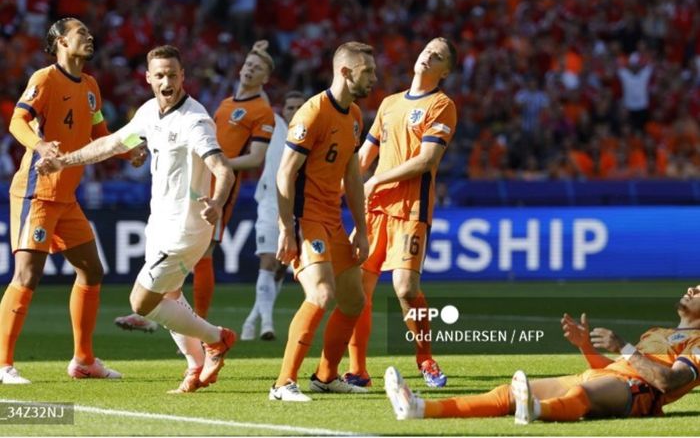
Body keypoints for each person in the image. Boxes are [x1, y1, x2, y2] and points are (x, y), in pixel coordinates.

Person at [35, 45, 237, 394]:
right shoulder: (148, 114)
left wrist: (217, 201)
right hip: (160, 222)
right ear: (148, 78)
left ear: (183, 76)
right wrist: (63, 160)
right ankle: (195, 364)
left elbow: (223, 168)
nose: (167, 81)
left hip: (185, 229)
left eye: (173, 74)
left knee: (141, 302)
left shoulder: (195, 120)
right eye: (160, 75)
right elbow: (111, 144)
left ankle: (216, 339)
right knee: (170, 294)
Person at [0, 17, 146, 384]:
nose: (89, 36)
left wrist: (128, 152)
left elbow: (100, 134)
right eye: (81, 32)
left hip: (67, 199)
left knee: (92, 270)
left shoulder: (92, 86)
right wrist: (39, 144)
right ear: (61, 42)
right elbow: (17, 121)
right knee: (27, 275)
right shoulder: (44, 79)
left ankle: (83, 360)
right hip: (37, 192)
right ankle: (3, 364)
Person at [114, 39, 275, 331]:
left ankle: (198, 323)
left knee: (204, 253)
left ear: (265, 79)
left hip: (219, 185)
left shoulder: (262, 111)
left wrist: (216, 162)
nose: (250, 70)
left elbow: (256, 158)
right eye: (248, 64)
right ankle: (158, 315)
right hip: (194, 180)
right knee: (168, 253)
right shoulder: (226, 104)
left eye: (258, 68)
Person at [384, 285, 700, 423]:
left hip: (638, 393)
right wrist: (586, 347)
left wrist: (625, 348)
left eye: (699, 291)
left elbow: (667, 382)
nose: (691, 289)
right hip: (609, 377)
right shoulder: (656, 332)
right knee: (506, 392)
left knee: (581, 393)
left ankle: (537, 410)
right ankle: (420, 408)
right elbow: (615, 366)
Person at [345, 37, 458, 388]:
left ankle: (425, 358)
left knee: (405, 287)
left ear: (445, 70)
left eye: (437, 55)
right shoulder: (389, 104)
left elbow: (427, 160)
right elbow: (362, 157)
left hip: (411, 209)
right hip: (375, 210)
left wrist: (376, 180)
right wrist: (335, 189)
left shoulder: (442, 105)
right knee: (358, 291)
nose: (427, 56)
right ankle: (358, 370)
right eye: (425, 49)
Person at [269, 41, 376, 402]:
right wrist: (287, 227)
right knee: (322, 293)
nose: (374, 78)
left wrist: (361, 228)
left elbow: (353, 178)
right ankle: (283, 383)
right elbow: (285, 174)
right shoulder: (313, 113)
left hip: (332, 217)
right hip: (306, 217)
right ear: (345, 72)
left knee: (353, 301)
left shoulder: (356, 116)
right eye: (368, 71)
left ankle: (326, 376)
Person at [241, 90, 306, 341]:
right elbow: (259, 96)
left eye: (300, 106)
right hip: (269, 203)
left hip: (297, 208)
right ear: (283, 110)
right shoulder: (275, 126)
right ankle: (267, 324)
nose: (295, 111)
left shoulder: (313, 133)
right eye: (290, 107)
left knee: (280, 267)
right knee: (268, 261)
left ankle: (250, 321)